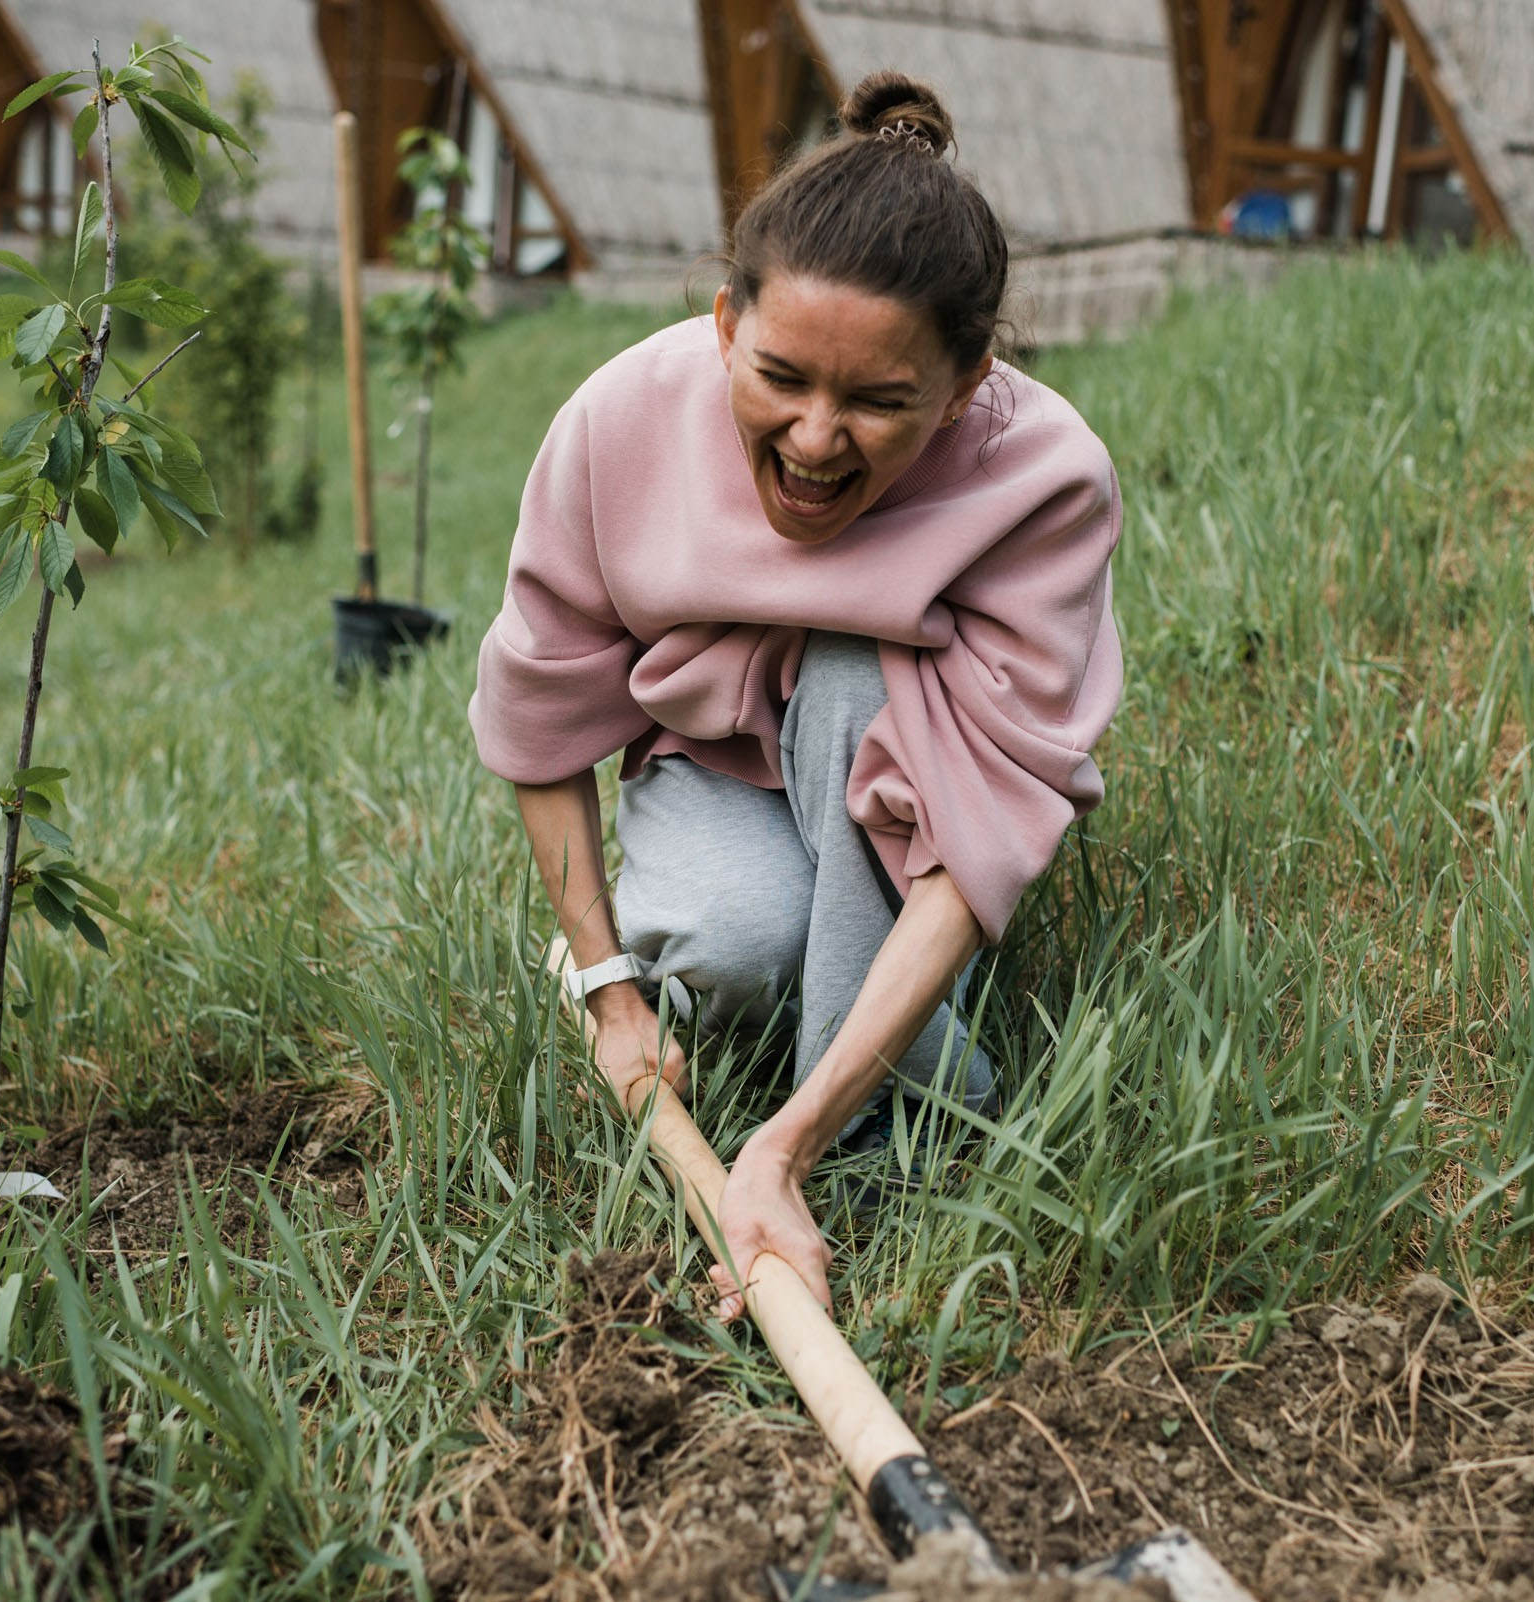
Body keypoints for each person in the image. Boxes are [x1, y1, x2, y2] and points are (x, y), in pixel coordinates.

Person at [469, 72, 1123, 1322]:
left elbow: (981, 837)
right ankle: (804, 995)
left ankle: (893, 1127)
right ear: (725, 324)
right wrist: (611, 993)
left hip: (902, 766)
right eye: (780, 378)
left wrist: (786, 1146)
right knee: (732, 952)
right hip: (712, 755)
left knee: (852, 666)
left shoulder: (1043, 480)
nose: (818, 438)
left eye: (881, 400)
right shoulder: (620, 424)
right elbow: (541, 718)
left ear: (970, 374)